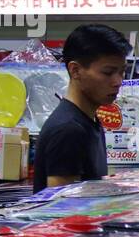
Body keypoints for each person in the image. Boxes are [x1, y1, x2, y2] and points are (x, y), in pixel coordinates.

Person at [32, 23, 130, 193]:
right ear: (75, 70)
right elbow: (62, 212)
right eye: (108, 72)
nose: (118, 81)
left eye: (122, 72)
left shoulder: (89, 120)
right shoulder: (68, 130)